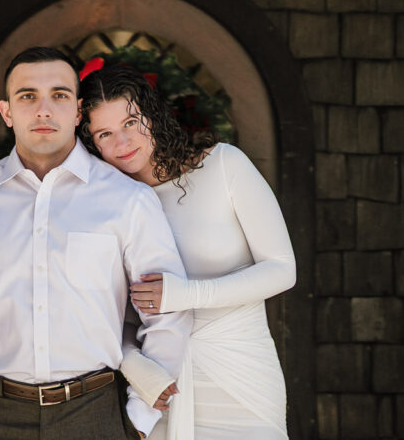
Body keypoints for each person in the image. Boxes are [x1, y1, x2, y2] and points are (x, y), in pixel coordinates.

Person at [0, 47, 192, 439]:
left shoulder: (127, 200)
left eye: (59, 96)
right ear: (7, 112)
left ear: (78, 111)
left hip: (95, 414)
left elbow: (167, 314)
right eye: (28, 96)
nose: (43, 110)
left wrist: (138, 422)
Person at [79, 62, 297, 440]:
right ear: (92, 144)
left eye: (131, 123)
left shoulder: (224, 165)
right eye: (105, 134)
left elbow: (281, 269)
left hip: (241, 374)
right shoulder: (106, 209)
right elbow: (101, 315)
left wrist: (186, 295)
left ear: (152, 115)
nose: (123, 143)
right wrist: (135, 367)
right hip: (161, 384)